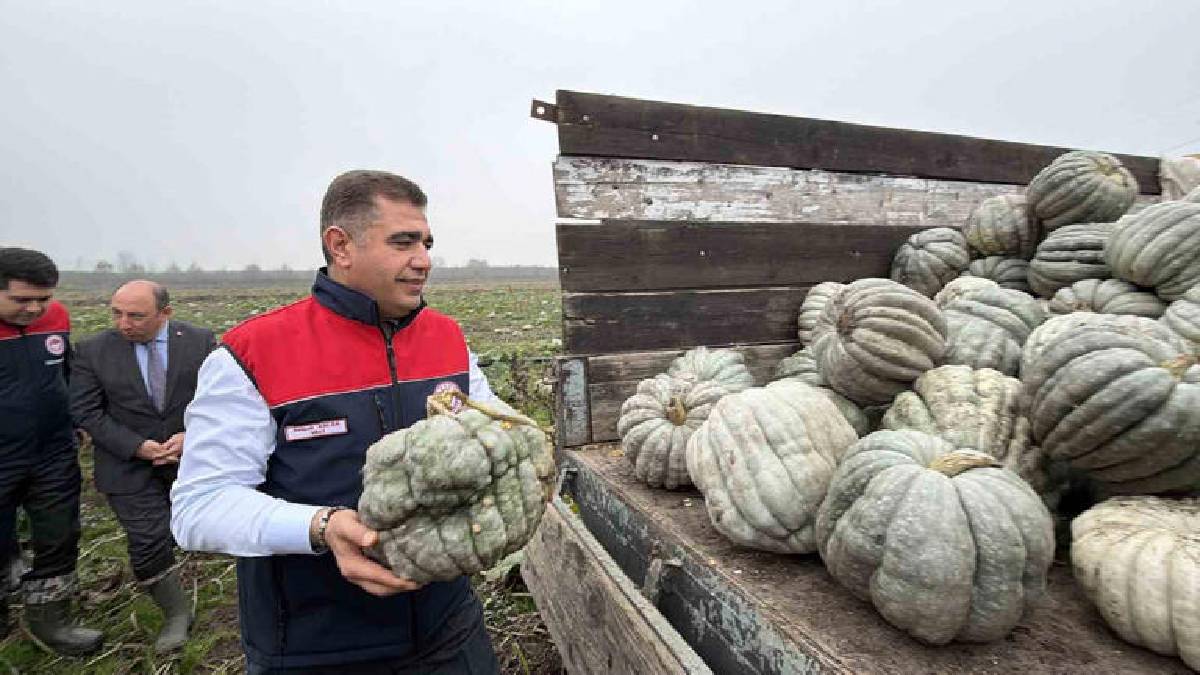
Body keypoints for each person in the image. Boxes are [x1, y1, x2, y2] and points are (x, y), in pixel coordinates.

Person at [171, 170, 503, 673]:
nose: (423, 260)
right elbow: (199, 506)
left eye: (427, 243)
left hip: (449, 629)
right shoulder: (252, 354)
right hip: (317, 647)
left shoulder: (448, 339)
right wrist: (321, 527)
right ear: (340, 245)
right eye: (403, 242)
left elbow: (494, 436)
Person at [70, 280, 215, 652]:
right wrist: (136, 447)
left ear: (165, 313)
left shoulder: (199, 341)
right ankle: (176, 614)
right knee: (147, 538)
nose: (124, 323)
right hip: (126, 464)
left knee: (197, 528)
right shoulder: (92, 351)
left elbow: (218, 397)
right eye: (116, 313)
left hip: (189, 459)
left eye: (135, 316)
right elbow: (86, 410)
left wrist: (191, 434)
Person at [0, 247, 103, 655]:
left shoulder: (56, 318)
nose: (34, 309)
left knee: (58, 534)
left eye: (43, 299)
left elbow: (66, 373)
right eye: (22, 300)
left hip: (53, 451)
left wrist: (78, 419)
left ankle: (52, 621)